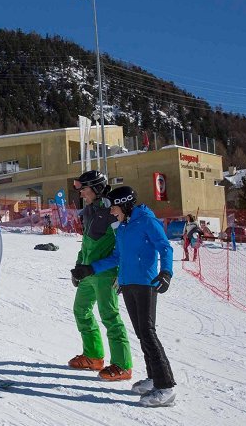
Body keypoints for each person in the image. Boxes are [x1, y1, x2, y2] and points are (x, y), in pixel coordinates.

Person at [73, 186, 176, 407]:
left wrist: (166, 272)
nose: (111, 212)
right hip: (128, 284)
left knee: (148, 333)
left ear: (126, 204)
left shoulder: (147, 221)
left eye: (114, 207)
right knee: (141, 333)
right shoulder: (124, 227)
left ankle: (165, 387)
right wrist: (90, 269)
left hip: (145, 284)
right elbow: (117, 256)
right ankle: (153, 378)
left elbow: (165, 247)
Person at [68, 170, 133, 381]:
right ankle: (93, 356)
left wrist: (99, 269)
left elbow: (122, 248)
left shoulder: (111, 210)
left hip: (105, 273)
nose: (81, 194)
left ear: (96, 188)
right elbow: (87, 241)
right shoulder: (89, 210)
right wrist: (80, 264)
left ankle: (122, 365)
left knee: (110, 316)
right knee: (81, 310)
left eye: (84, 189)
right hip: (88, 271)